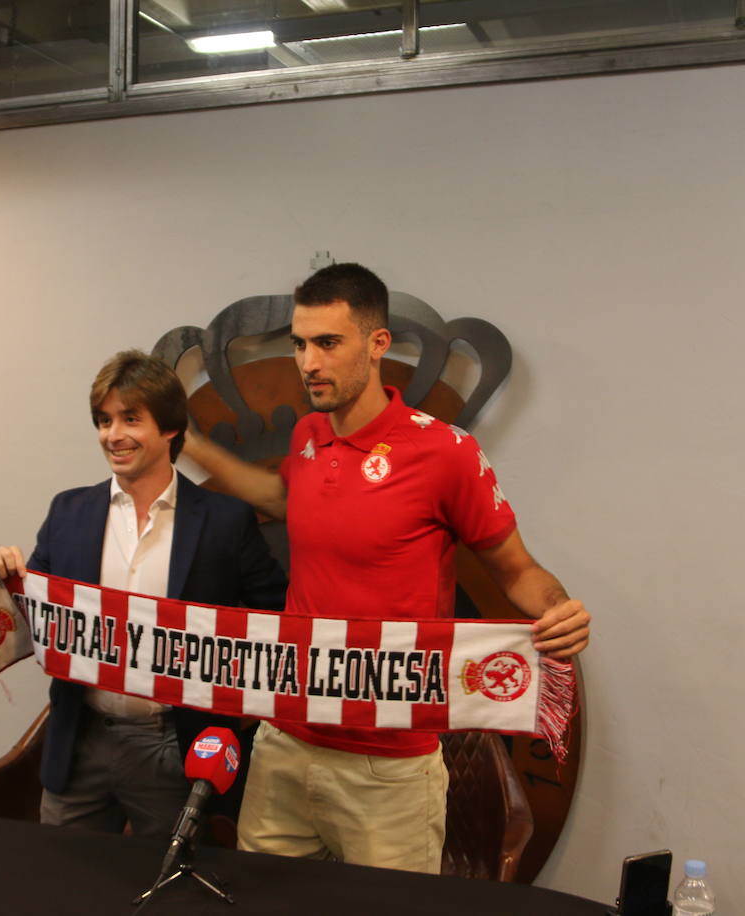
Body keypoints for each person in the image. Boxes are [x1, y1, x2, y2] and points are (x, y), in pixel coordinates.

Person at [185, 263, 591, 874]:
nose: (308, 363)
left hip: (388, 763)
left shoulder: (445, 451)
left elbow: (516, 570)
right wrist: (185, 441)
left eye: (327, 343)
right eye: (300, 344)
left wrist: (559, 607)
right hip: (284, 743)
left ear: (377, 345)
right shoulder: (307, 435)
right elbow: (281, 500)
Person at [0, 350, 286, 841]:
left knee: (165, 892)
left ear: (169, 429)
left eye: (130, 419)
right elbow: (28, 613)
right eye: (104, 420)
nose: (112, 435)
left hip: (174, 746)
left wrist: (238, 715)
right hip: (80, 740)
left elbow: (276, 619)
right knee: (63, 883)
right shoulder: (69, 512)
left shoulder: (224, 522)